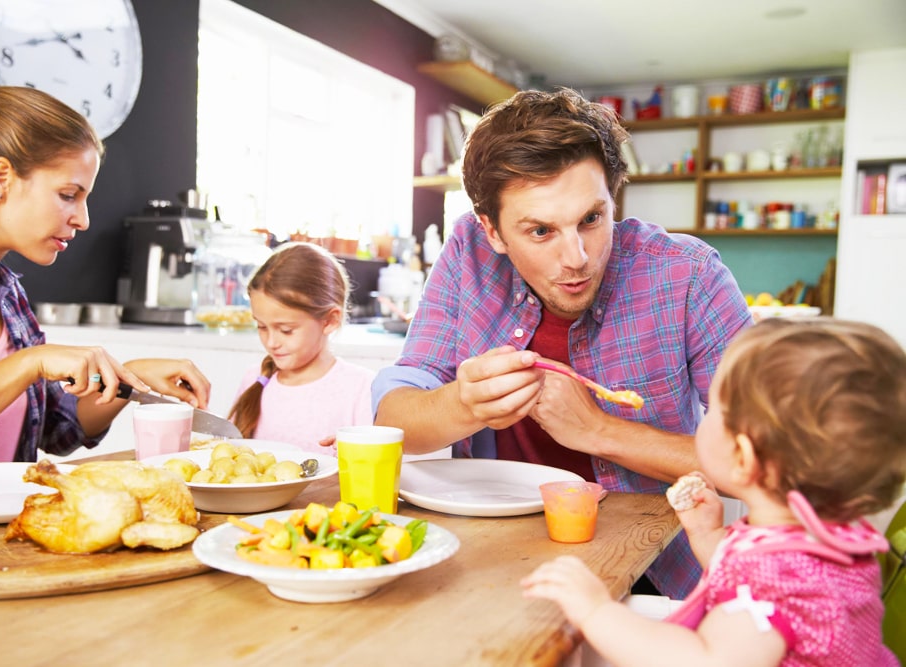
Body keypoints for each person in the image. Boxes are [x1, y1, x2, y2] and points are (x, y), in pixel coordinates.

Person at [372, 87, 752, 599]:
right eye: (540, 231)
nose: (577, 258)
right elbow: (394, 420)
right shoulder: (467, 253)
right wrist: (463, 404)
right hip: (489, 563)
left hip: (654, 577)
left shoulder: (688, 275)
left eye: (592, 219)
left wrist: (599, 430)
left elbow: (773, 462)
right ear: (493, 231)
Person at [522, 317, 906, 667]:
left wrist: (595, 611)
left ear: (743, 456)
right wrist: (709, 538)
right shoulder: (832, 538)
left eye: (715, 409)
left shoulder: (777, 584)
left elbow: (705, 661)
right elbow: (747, 582)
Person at [0, 86, 211, 474]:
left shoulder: (7, 295)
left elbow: (58, 430)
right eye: (68, 194)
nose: (83, 220)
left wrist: (128, 378)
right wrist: (27, 363)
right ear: (1, 178)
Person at [228, 242, 374, 455]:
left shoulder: (362, 389)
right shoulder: (254, 379)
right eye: (261, 327)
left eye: (286, 330)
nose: (271, 342)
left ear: (329, 321)